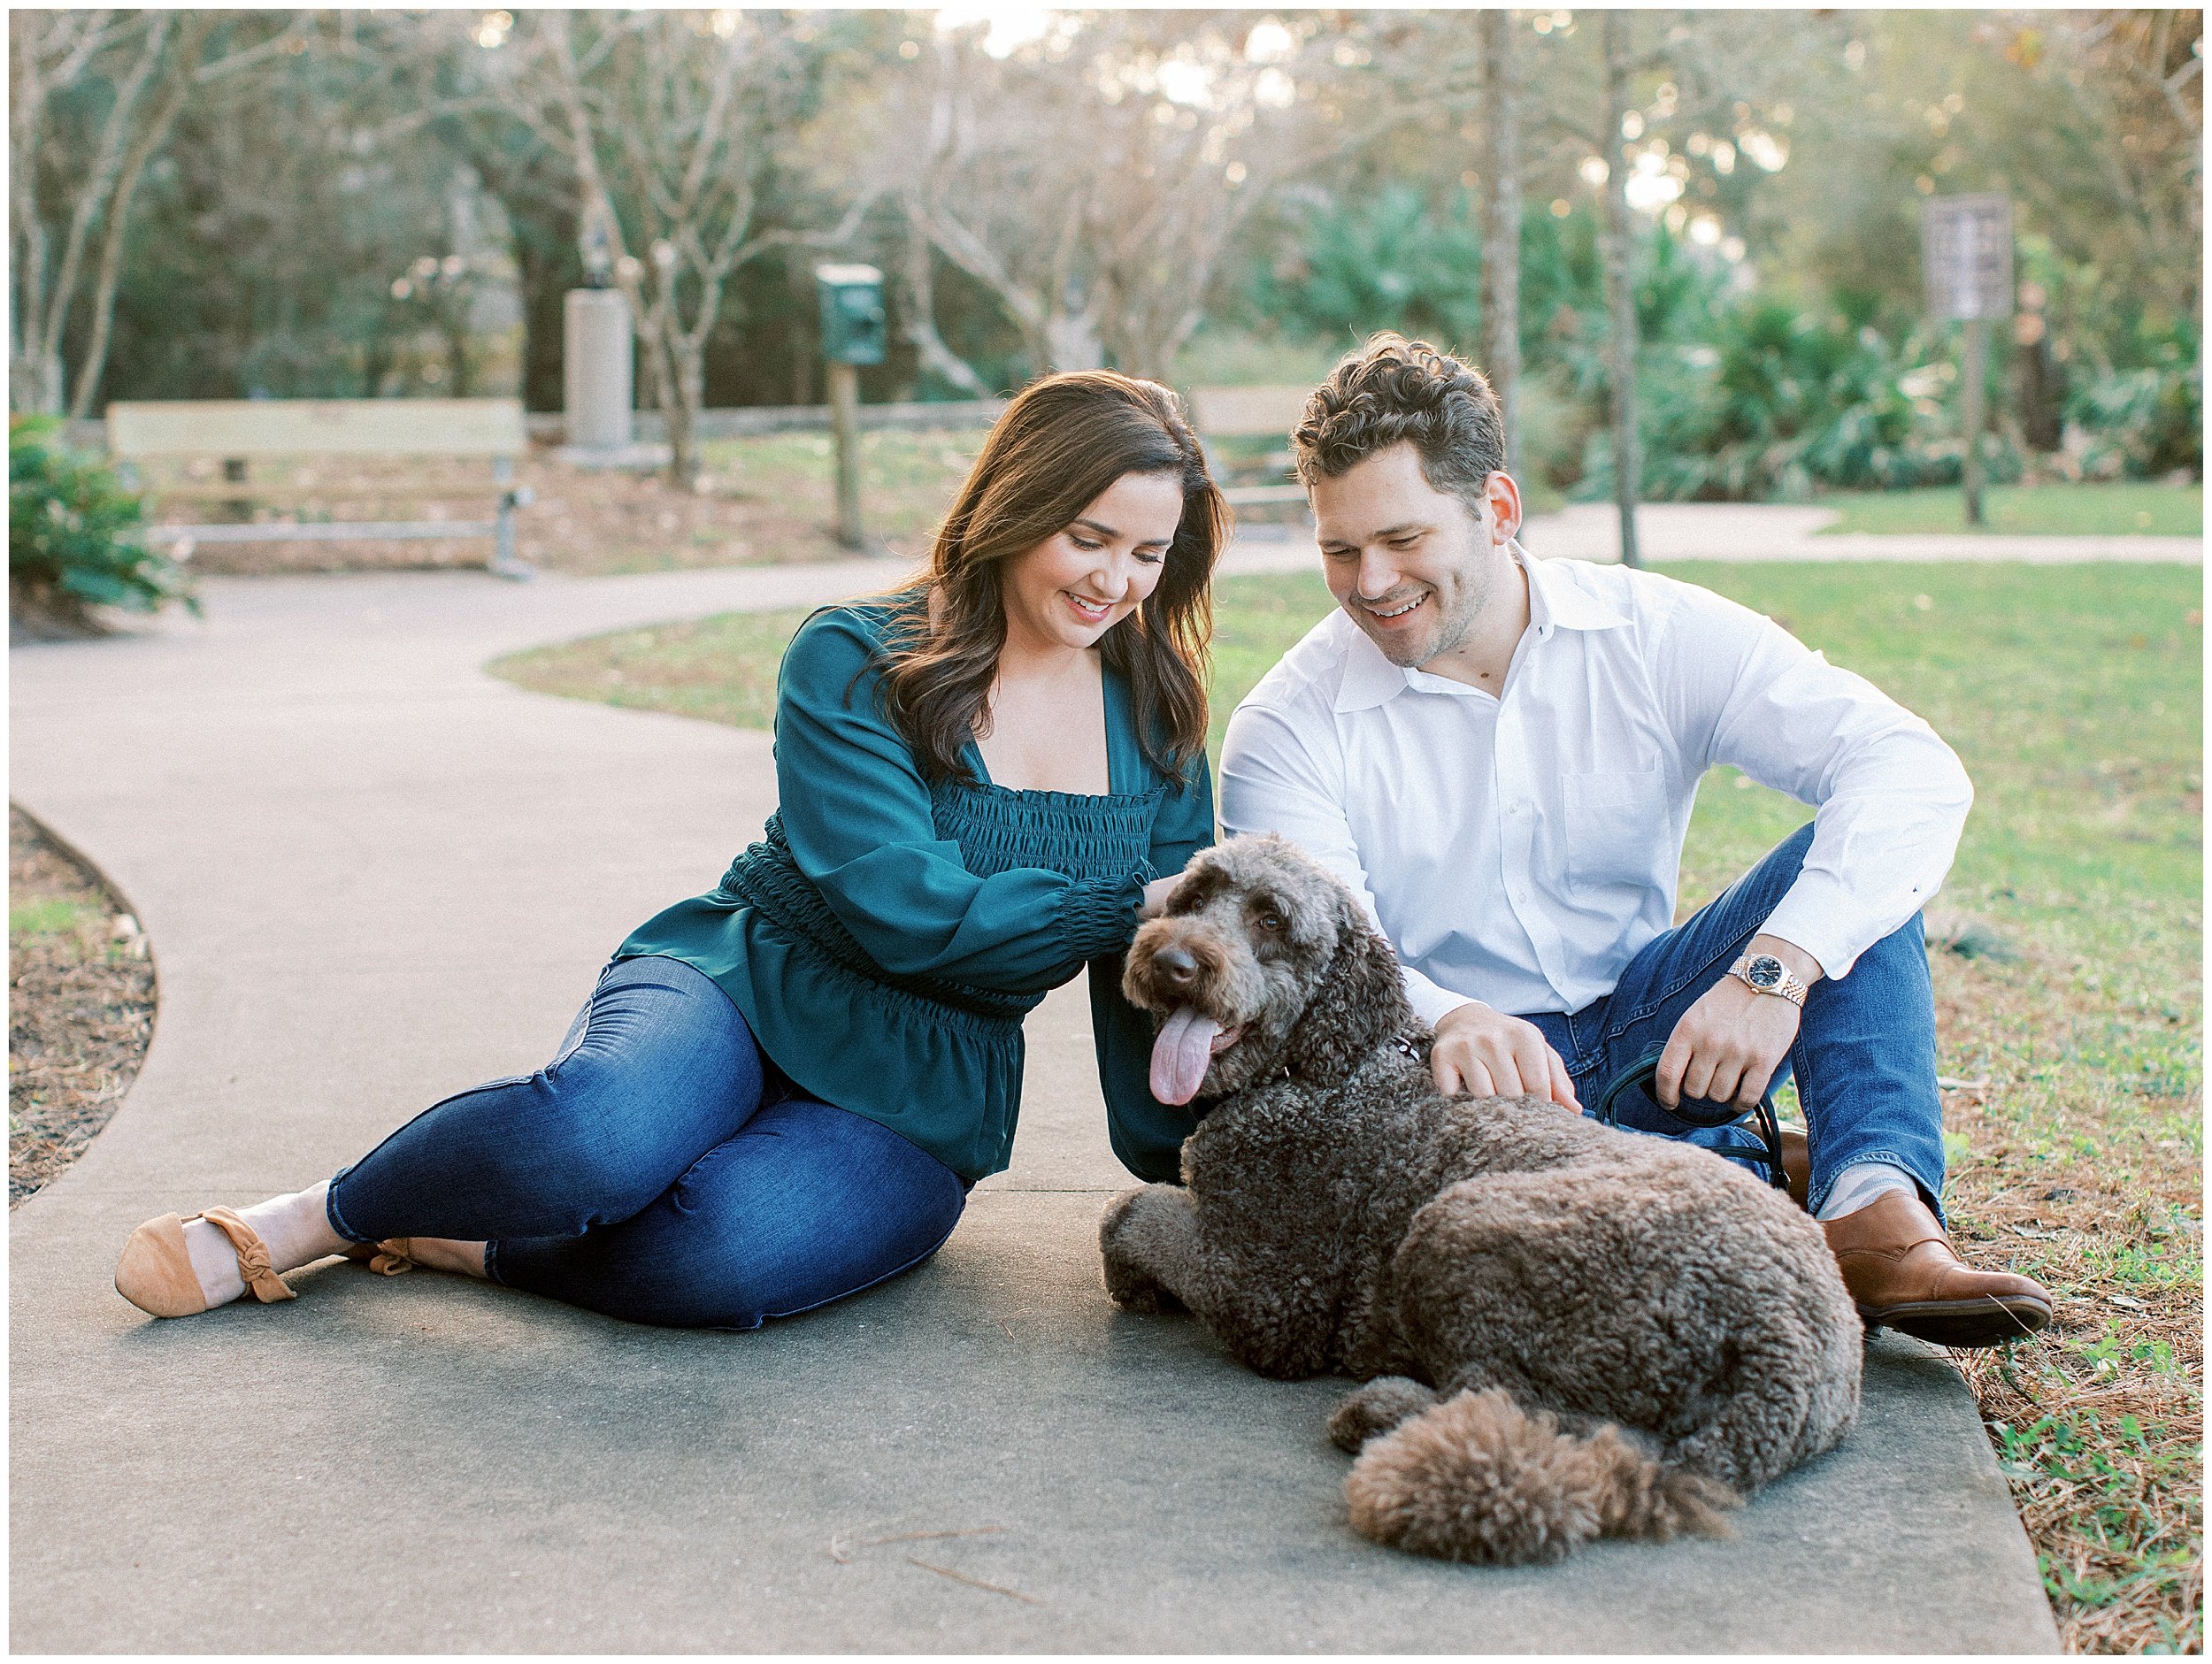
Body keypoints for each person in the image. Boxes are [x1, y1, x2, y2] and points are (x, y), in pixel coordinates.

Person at [115, 370, 1223, 1330]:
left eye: (1146, 553)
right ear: (1013, 508)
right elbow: (899, 901)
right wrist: (1129, 904)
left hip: (920, 1091)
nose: (1113, 583)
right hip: (747, 981)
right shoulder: (856, 655)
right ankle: (320, 1216)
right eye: (1087, 538)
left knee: (718, 1256)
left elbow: (1156, 988)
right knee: (591, 1143)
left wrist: (1201, 1165)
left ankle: (473, 1241)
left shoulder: (1161, 731)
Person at [1218, 334, 2054, 1349]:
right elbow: (1321, 955)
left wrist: (1772, 969)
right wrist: (1446, 1017)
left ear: (1498, 510)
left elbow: (1908, 769)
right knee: (1485, 1230)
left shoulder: (1650, 634)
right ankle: (1730, 1168)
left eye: (1401, 539)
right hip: (1444, 1081)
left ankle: (1871, 1215)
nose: (1371, 582)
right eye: (1338, 551)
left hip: (1649, 1024)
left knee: (1854, 870)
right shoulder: (1287, 725)